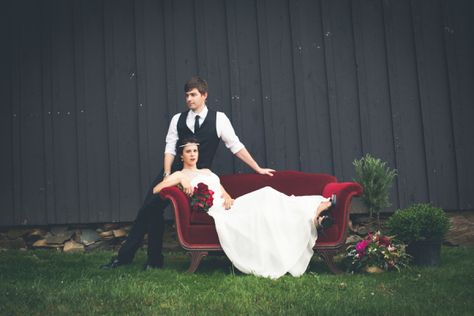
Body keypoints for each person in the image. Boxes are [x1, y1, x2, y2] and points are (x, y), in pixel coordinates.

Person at [102, 77, 275, 270]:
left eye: (193, 95)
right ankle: (134, 258)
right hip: (174, 171)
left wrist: (257, 168)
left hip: (200, 176)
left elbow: (235, 145)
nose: (189, 99)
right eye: (186, 95)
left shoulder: (219, 119)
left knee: (152, 211)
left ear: (204, 95)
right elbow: (170, 148)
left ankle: (153, 261)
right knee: (149, 209)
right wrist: (167, 173)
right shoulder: (178, 119)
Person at [153, 138, 336, 279]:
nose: (193, 154)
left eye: (195, 151)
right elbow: (157, 189)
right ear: (182, 155)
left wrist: (227, 197)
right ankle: (316, 214)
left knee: (268, 195)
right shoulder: (179, 174)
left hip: (230, 205)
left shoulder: (207, 172)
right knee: (266, 199)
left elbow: (223, 192)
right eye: (188, 151)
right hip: (217, 212)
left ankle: (317, 213)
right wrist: (182, 179)